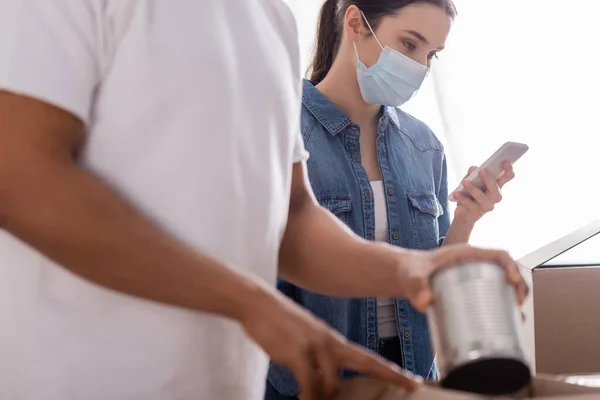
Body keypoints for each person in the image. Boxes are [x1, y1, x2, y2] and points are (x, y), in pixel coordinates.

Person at [0, 1, 526, 400]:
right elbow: (20, 178)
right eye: (411, 46)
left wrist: (420, 267)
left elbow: (293, 219)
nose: (420, 65)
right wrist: (253, 303)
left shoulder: (270, 19)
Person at [266, 0, 519, 399]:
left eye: (431, 54)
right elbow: (262, 271)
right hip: (311, 384)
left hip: (412, 380)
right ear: (355, 23)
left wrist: (467, 218)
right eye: (409, 44)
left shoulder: (424, 147)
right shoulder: (281, 130)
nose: (420, 67)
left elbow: (429, 283)